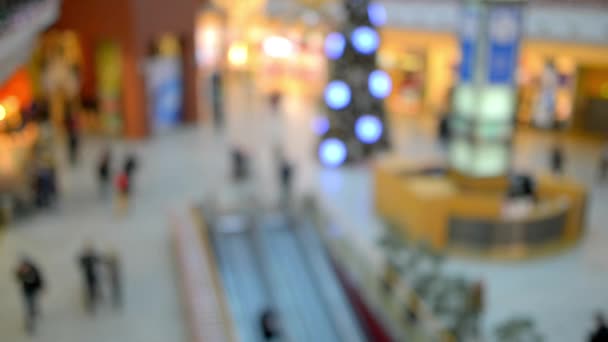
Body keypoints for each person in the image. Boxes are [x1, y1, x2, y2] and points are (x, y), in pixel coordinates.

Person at [14, 257, 45, 334]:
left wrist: (41, 287)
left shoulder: (34, 270)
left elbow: (39, 279)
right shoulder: (21, 272)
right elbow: (17, 277)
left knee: (33, 303)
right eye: (23, 266)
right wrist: (21, 273)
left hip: (33, 291)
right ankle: (29, 325)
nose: (24, 268)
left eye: (25, 266)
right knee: (28, 307)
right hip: (26, 292)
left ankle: (34, 311)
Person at [78, 244, 101, 313]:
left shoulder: (92, 257)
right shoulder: (85, 258)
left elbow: (99, 260)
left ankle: (93, 303)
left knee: (93, 290)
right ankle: (90, 305)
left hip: (92, 277)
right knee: (89, 291)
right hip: (88, 278)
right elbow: (80, 262)